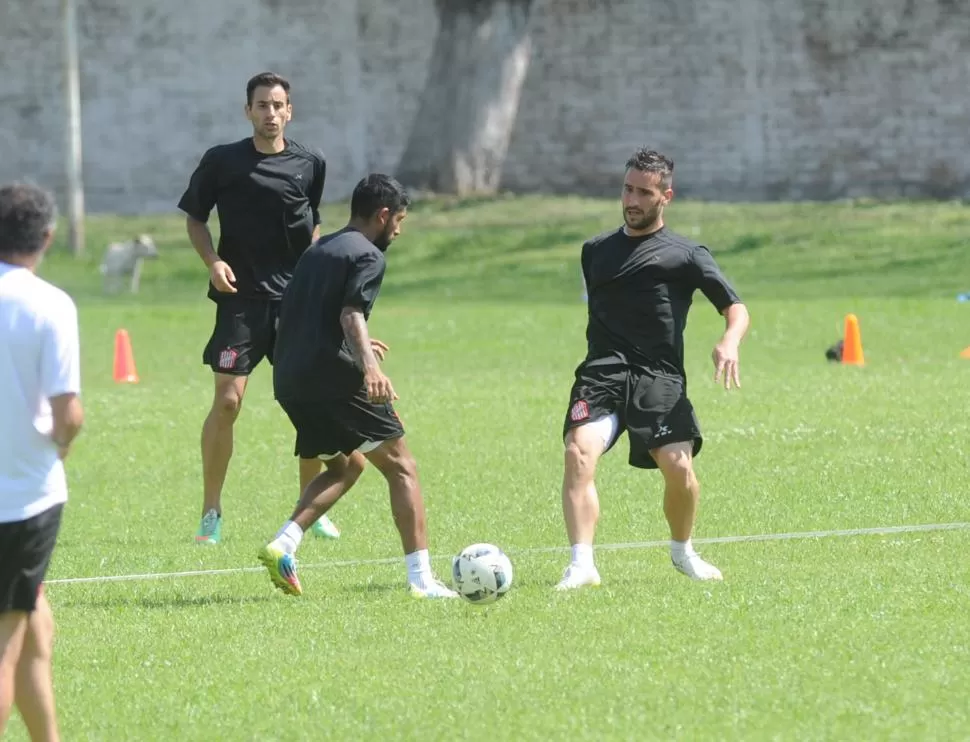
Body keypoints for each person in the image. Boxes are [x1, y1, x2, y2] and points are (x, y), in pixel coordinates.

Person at [555, 148, 750, 590]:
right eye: (627, 189)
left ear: (666, 196)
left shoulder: (687, 255)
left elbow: (735, 308)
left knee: (679, 470)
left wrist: (729, 341)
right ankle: (582, 564)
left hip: (659, 376)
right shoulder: (596, 251)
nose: (632, 200)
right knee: (577, 453)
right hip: (601, 373)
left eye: (644, 192)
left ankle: (683, 551)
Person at [258, 173, 458, 599]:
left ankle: (284, 543)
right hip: (332, 377)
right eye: (399, 220)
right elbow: (351, 314)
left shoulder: (320, 249)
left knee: (347, 465)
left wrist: (362, 344)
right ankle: (422, 581)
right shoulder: (368, 254)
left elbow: (313, 313)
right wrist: (369, 368)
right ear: (382, 215)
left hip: (290, 379)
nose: (399, 230)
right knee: (402, 466)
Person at [177, 71, 351, 544]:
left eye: (278, 105)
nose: (270, 114)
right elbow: (195, 218)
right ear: (247, 111)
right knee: (229, 400)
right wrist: (212, 262)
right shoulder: (222, 162)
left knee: (306, 400)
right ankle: (211, 511)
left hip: (296, 303)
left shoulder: (310, 162)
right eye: (261, 106)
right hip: (239, 302)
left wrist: (315, 278)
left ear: (289, 111)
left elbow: (312, 223)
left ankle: (309, 509)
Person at [0, 182, 84, 741]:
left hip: (22, 500)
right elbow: (68, 414)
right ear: (48, 237)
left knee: (37, 627)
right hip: (23, 500)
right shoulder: (49, 304)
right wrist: (60, 444)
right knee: (8, 643)